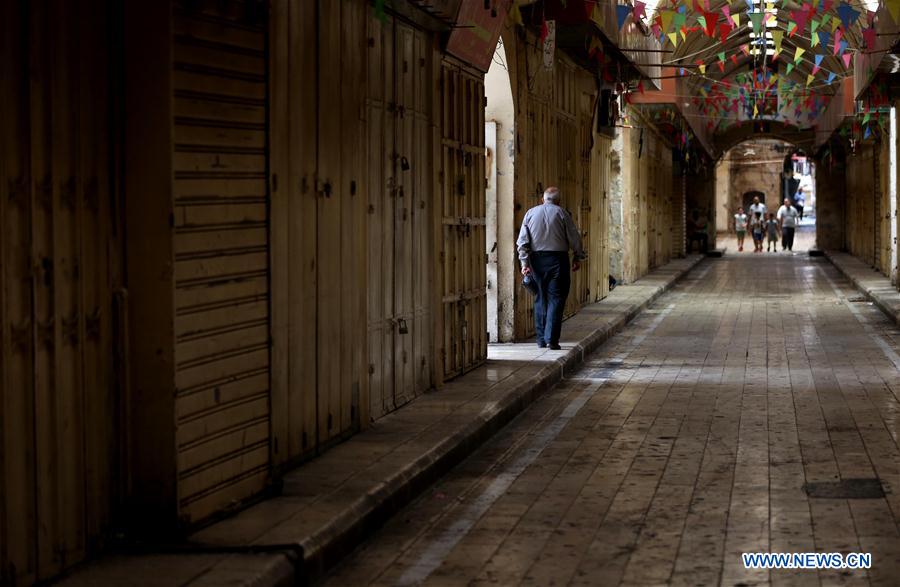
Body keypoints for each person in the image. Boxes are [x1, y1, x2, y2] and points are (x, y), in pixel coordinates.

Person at [517, 186, 586, 350]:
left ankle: (540, 339)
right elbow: (574, 238)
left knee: (540, 297)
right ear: (558, 201)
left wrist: (524, 264)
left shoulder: (530, 213)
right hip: (558, 260)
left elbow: (522, 242)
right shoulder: (562, 213)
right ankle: (551, 340)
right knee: (556, 299)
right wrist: (578, 256)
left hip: (536, 260)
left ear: (543, 199)